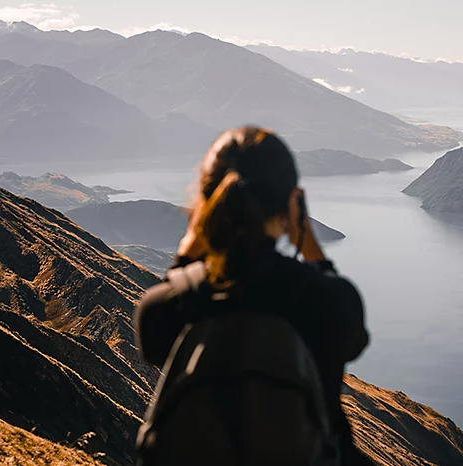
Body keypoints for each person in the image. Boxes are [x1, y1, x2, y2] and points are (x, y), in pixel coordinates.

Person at [134, 126, 371, 465]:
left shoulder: (165, 309)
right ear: (291, 203)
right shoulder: (329, 302)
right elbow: (353, 339)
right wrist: (309, 244)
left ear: (208, 203)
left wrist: (186, 255)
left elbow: (155, 342)